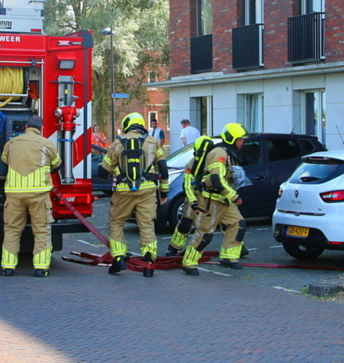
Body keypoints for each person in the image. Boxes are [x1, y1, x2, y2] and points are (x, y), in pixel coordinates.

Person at [99, 112, 169, 277]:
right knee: (146, 224)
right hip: (147, 190)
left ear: (127, 125)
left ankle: (119, 257)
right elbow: (164, 170)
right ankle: (149, 263)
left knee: (116, 222)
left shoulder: (118, 143)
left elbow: (103, 172)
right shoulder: (153, 142)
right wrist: (163, 194)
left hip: (123, 191)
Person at [182, 122, 249, 275]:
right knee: (205, 233)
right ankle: (188, 262)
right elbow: (216, 179)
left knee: (238, 224)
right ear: (232, 138)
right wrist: (234, 196)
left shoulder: (229, 153)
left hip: (224, 200)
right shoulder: (219, 153)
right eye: (240, 138)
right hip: (211, 200)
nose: (243, 141)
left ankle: (228, 257)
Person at [0, 115, 61, 277]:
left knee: (12, 230)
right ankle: (41, 268)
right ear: (41, 128)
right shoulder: (47, 144)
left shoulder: (11, 143)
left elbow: (5, 160)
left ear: (26, 126)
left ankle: (8, 267)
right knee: (41, 230)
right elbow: (57, 164)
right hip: (39, 195)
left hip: (14, 195)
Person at [166, 135, 213, 257]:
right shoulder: (192, 163)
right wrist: (192, 201)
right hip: (195, 197)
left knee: (230, 223)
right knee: (185, 223)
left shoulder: (215, 162)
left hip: (212, 200)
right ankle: (174, 247)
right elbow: (187, 183)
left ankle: (237, 247)